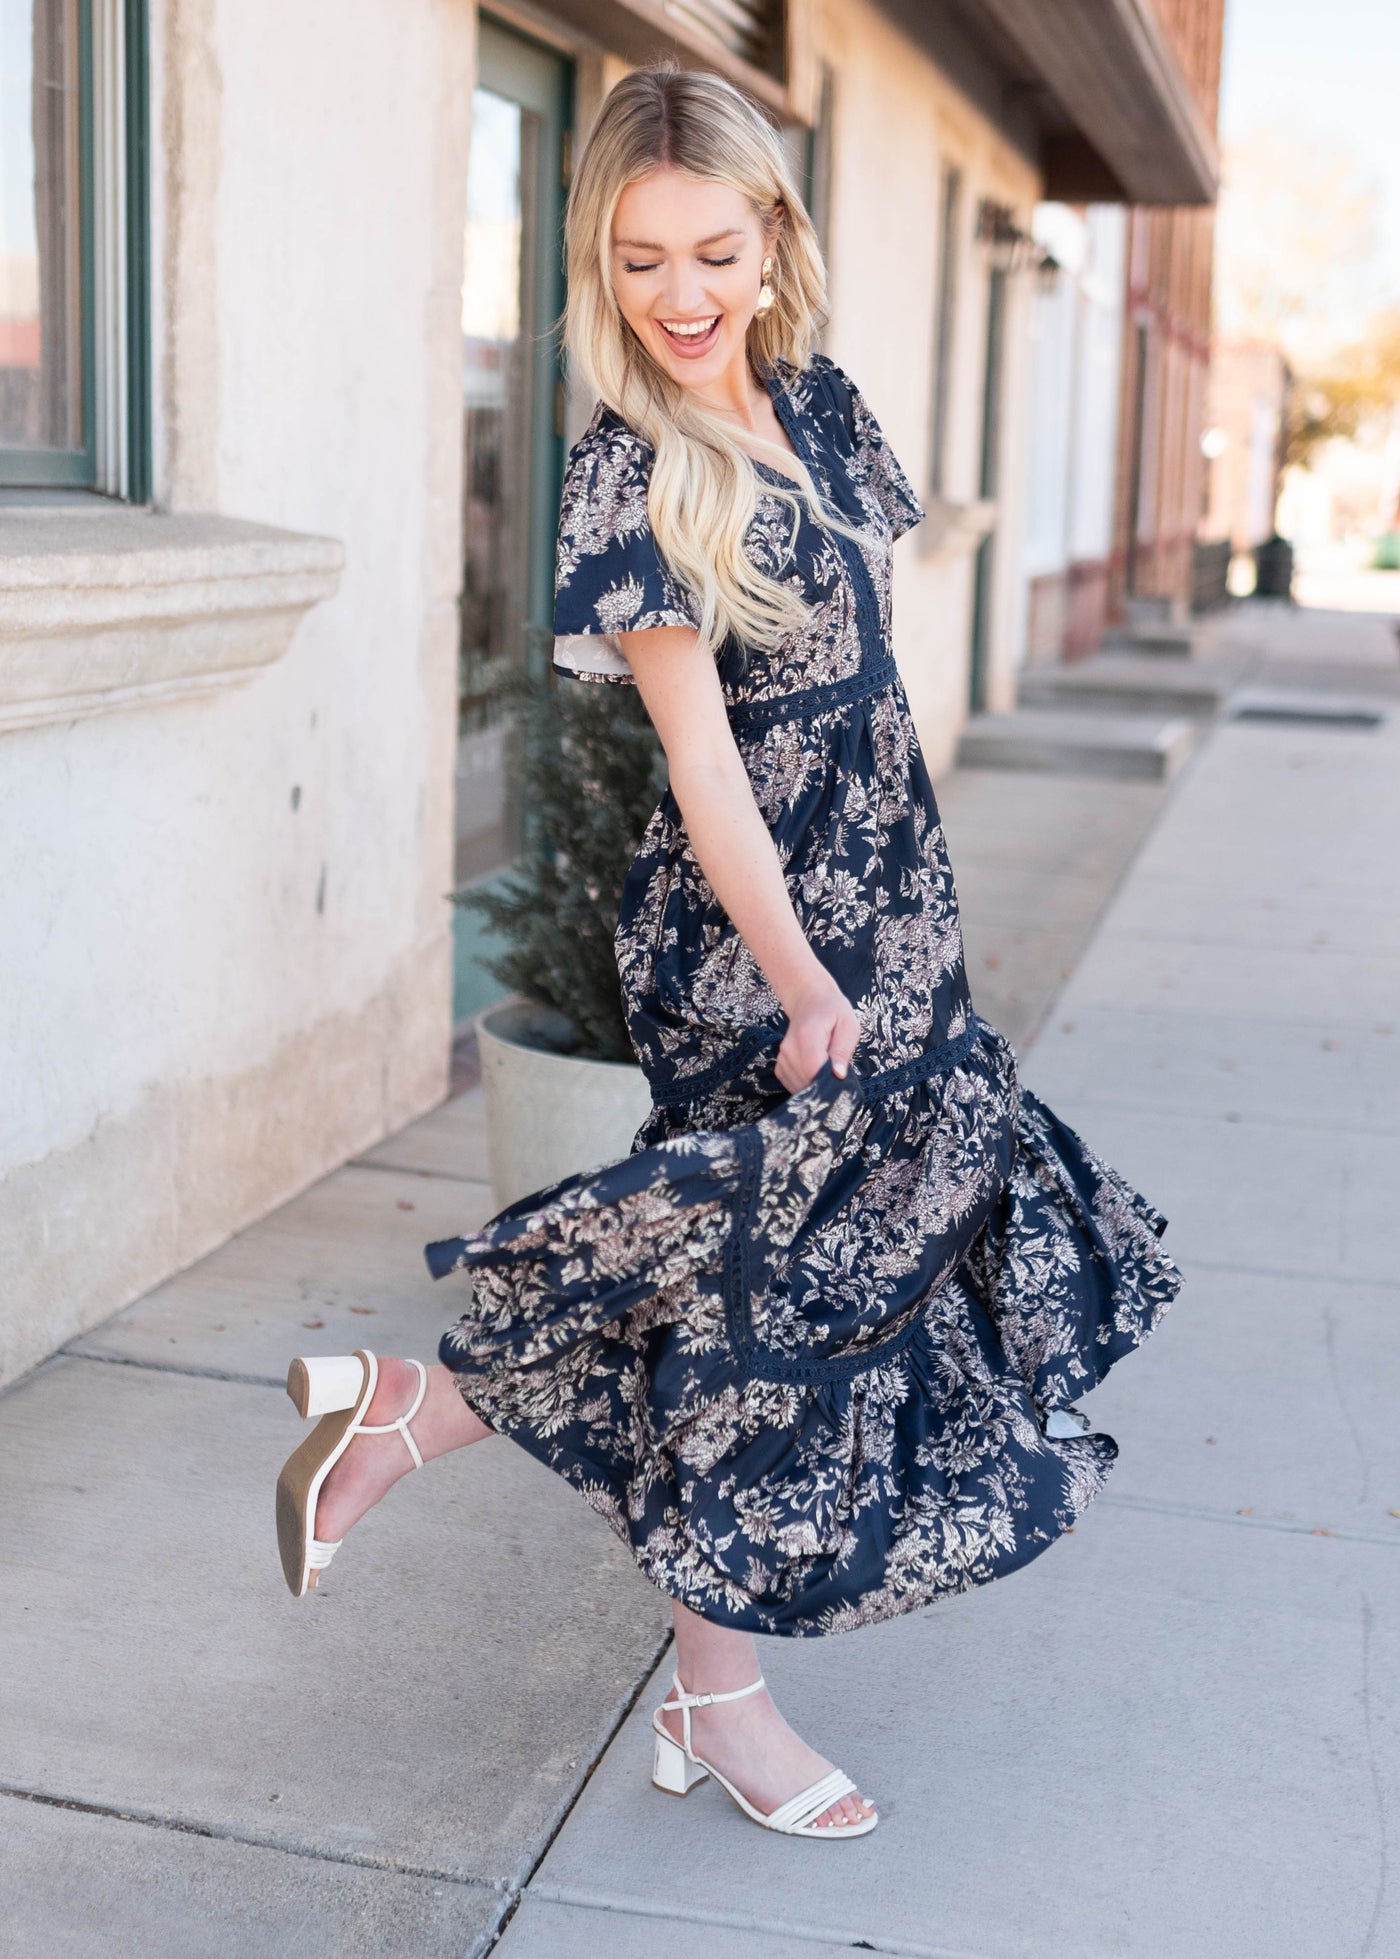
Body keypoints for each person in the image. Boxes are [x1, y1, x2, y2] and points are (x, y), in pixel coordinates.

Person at [275, 65, 1181, 1842]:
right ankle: (692, 1669)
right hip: (754, 932)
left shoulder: (828, 412)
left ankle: (437, 1439)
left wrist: (898, 919)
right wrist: (803, 977)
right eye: (636, 264)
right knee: (774, 1292)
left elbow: (874, 690)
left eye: (711, 250)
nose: (681, 298)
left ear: (774, 238)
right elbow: (703, 768)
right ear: (596, 273)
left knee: (775, 1289)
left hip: (888, 903)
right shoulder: (630, 477)